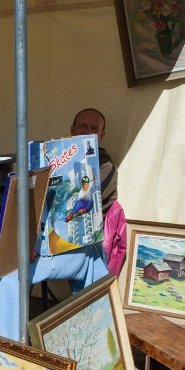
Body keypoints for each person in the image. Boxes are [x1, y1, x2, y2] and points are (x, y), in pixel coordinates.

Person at [70, 108, 126, 276]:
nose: (88, 132)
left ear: (101, 135)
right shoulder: (58, 158)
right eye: (83, 126)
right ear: (72, 130)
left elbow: (81, 203)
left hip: (87, 243)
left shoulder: (105, 166)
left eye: (94, 128)